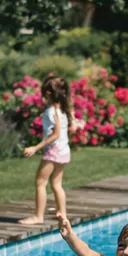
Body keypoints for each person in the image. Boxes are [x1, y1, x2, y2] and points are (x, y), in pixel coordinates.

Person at [19, 76, 79, 226]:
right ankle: (63, 215)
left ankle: (38, 217)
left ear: (47, 93)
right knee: (56, 184)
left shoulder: (51, 111)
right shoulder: (63, 110)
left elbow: (55, 134)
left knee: (40, 182)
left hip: (53, 151)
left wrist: (35, 148)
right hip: (63, 150)